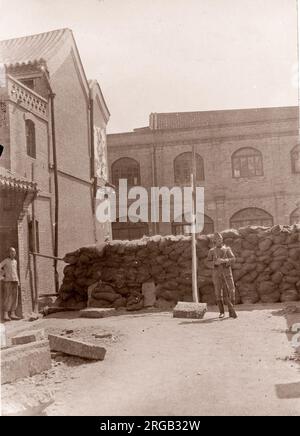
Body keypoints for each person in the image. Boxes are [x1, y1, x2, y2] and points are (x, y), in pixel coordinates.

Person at [207, 233, 237, 319]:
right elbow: (207, 262)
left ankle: (232, 310)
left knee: (232, 290)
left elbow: (233, 259)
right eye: (218, 239)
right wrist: (215, 263)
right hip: (217, 274)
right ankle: (221, 312)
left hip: (227, 273)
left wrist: (224, 260)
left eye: (221, 239)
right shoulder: (211, 251)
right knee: (218, 292)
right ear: (214, 241)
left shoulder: (227, 249)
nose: (220, 240)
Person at [0, 247, 21, 321]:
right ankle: (6, 314)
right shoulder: (6, 260)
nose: (13, 253)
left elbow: (16, 271)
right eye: (12, 252)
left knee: (15, 298)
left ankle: (13, 314)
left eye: (14, 252)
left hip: (15, 281)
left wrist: (18, 281)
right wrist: (2, 276)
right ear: (9, 253)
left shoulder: (15, 261)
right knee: (7, 297)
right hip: (8, 281)